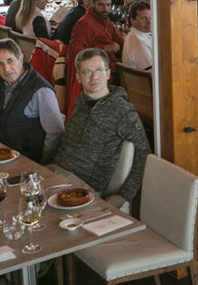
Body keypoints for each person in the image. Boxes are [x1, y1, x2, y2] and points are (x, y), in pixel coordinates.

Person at [52, 48, 149, 205]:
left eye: (99, 70)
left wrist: (124, 195)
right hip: (56, 173)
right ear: (78, 77)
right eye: (87, 72)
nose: (94, 77)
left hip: (83, 188)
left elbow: (144, 155)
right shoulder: (80, 101)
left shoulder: (122, 111)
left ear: (108, 73)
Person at [0, 39, 64, 164]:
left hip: (27, 161)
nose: (6, 69)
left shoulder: (41, 90)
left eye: (10, 61)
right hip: (0, 156)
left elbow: (55, 132)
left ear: (20, 58)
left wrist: (42, 163)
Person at [65, 0, 122, 113]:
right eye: (101, 5)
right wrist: (105, 49)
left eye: (108, 5)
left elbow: (118, 39)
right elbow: (75, 53)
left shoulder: (105, 19)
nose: (105, 9)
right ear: (92, 4)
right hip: (99, 75)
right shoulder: (84, 23)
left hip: (110, 68)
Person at [121, 1, 154, 70]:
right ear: (132, 20)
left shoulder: (135, 34)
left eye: (150, 17)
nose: (149, 22)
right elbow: (153, 73)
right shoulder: (140, 44)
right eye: (144, 18)